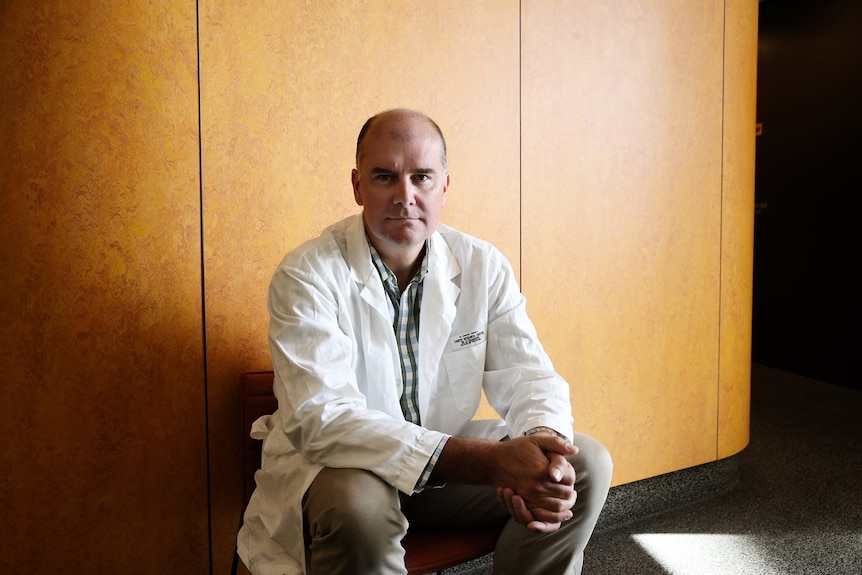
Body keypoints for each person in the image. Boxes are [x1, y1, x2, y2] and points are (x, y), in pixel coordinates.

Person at [237, 108, 613, 575]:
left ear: (445, 187)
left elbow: (529, 374)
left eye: (422, 177)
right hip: (344, 469)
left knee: (584, 465)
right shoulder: (307, 275)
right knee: (360, 512)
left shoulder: (481, 264)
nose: (405, 196)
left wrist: (542, 444)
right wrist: (491, 463)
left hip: (440, 472)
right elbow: (323, 420)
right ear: (357, 186)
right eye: (384, 177)